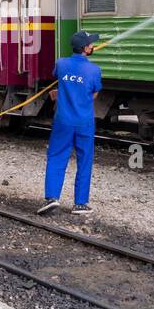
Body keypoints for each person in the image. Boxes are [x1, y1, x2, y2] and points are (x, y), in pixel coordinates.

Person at [39, 30, 103, 216]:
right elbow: (94, 93)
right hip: (84, 122)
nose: (92, 45)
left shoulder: (61, 63)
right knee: (84, 160)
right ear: (85, 48)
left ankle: (52, 198)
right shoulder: (94, 70)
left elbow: (58, 77)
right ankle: (80, 204)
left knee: (57, 156)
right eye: (90, 43)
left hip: (63, 121)